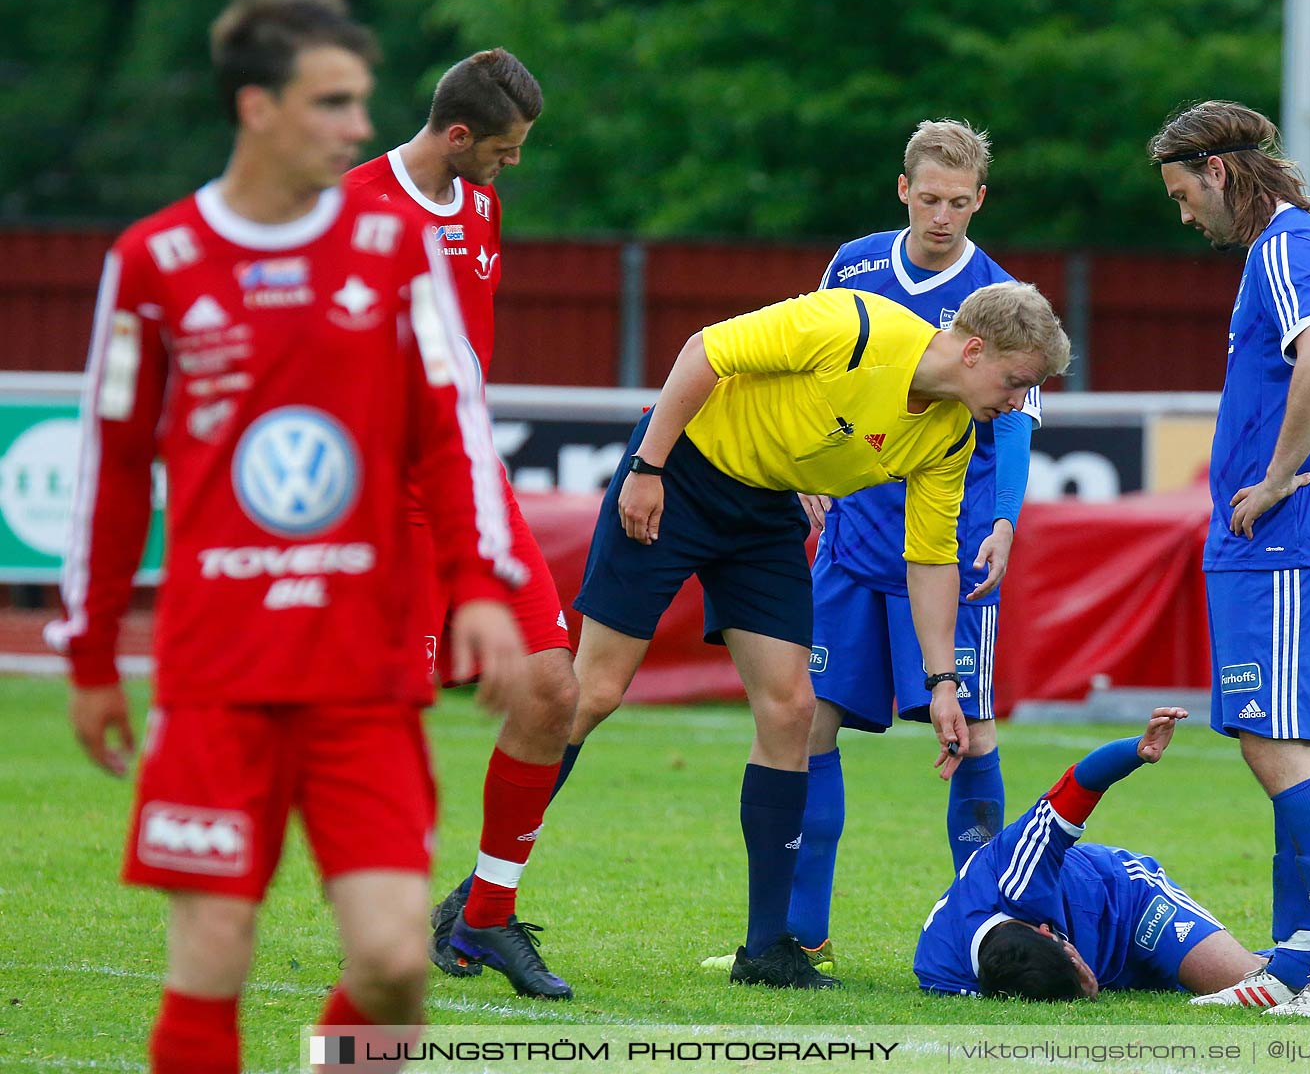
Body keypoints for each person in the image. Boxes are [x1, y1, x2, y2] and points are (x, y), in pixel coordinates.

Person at [46, 0, 528, 1074]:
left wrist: (483, 584)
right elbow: (112, 473)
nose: (360, 128)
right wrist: (87, 657)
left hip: (360, 673)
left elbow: (449, 433)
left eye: (361, 102)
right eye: (334, 102)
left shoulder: (392, 252)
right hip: (220, 677)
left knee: (395, 958)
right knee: (211, 953)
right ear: (257, 106)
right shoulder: (156, 261)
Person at [562, 279, 1071, 989]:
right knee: (595, 692)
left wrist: (943, 681)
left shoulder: (952, 432)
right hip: (682, 475)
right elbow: (704, 351)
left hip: (762, 512)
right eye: (1017, 382)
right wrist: (647, 466)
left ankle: (767, 950)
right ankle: (482, 900)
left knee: (794, 710)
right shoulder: (853, 323)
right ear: (976, 350)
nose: (1018, 403)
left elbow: (928, 561)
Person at [1146, 100, 1310, 1015]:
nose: (1183, 215)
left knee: (1279, 748)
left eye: (1182, 193)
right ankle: (1294, 961)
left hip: (1284, 541)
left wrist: (1279, 477)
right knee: (1275, 743)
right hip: (1276, 545)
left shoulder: (1284, 246)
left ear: (1217, 172)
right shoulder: (1289, 247)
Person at [344, 50, 578, 1001]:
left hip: (471, 492)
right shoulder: (353, 210)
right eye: (506, 150)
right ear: (457, 136)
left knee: (551, 693)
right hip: (384, 505)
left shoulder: (478, 202)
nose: (511, 166)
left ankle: (483, 920)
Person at [781, 120, 1040, 972]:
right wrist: (808, 461)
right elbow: (816, 369)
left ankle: (986, 931)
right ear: (903, 191)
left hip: (951, 548)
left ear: (980, 201)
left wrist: (1003, 521)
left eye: (958, 203)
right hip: (853, 539)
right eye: (928, 199)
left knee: (975, 728)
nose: (941, 216)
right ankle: (800, 934)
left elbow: (1015, 430)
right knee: (808, 721)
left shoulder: (999, 296)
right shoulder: (854, 264)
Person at [914, 710, 1310, 1007]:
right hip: (1113, 956)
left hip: (1130, 905)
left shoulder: (1017, 867)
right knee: (1230, 986)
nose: (1088, 988)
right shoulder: (941, 971)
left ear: (1048, 929)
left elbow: (1074, 788)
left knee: (1259, 983)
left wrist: (1135, 752)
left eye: (1079, 976)